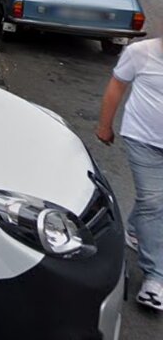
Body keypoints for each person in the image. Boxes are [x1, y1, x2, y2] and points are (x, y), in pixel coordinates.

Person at [97, 37, 163, 312]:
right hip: (143, 140)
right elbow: (117, 85)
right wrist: (105, 125)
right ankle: (155, 278)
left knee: (153, 200)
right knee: (153, 201)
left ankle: (135, 229)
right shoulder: (141, 53)